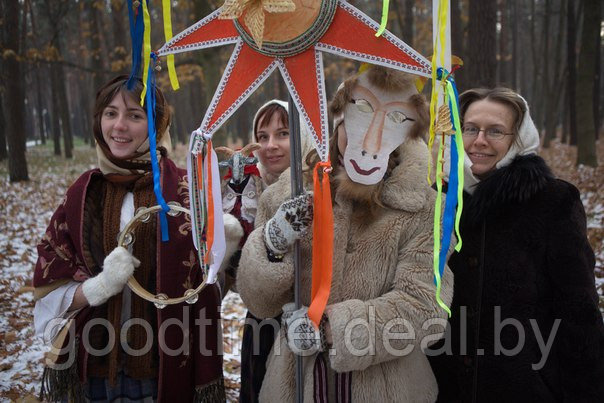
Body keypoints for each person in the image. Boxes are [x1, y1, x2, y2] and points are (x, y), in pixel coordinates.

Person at [237, 65, 454, 401]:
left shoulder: (424, 209)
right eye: (357, 121)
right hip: (296, 384)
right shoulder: (289, 193)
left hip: (388, 388)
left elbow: (426, 308)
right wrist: (272, 243)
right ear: (337, 122)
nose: (368, 142)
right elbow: (260, 302)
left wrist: (331, 329)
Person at [32, 75, 225, 402]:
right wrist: (97, 287)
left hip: (162, 367)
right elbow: (51, 277)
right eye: (110, 113)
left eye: (135, 116)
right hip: (92, 366)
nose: (119, 125)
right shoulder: (84, 194)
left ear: (156, 123)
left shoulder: (183, 190)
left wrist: (222, 247)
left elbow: (208, 285)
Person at [428, 87, 604, 402]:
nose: (479, 141)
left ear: (518, 139)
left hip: (527, 388)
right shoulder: (437, 200)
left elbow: (579, 313)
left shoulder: (553, 203)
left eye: (495, 131)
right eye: (470, 128)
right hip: (442, 388)